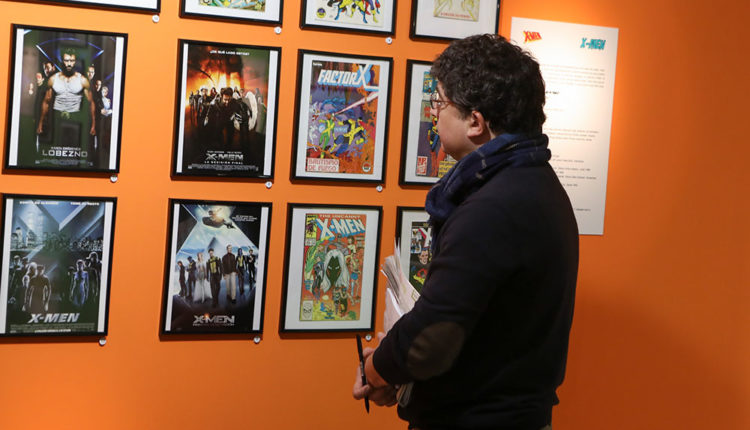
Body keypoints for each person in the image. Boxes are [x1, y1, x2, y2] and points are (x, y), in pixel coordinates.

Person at [352, 34, 579, 430]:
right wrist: (396, 367)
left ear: (475, 122)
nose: (434, 113)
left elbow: (434, 334)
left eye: (440, 102)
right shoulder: (536, 184)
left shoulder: (493, 207)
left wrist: (376, 371)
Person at [36, 48, 97, 148]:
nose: (69, 64)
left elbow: (91, 103)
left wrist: (93, 124)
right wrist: (40, 123)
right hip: (57, 118)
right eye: (66, 60)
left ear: (75, 61)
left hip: (76, 118)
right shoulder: (53, 79)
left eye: (72, 61)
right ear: (62, 61)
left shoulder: (82, 80)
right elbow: (46, 102)